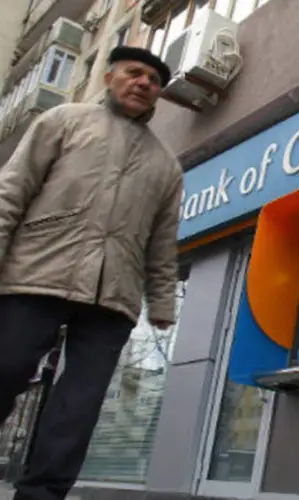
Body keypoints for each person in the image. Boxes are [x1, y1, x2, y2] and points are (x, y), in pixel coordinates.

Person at [0, 46, 183, 499]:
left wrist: (160, 301)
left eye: (154, 80)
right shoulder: (63, 121)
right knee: (6, 368)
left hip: (113, 296)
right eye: (134, 73)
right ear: (109, 78)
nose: (143, 83)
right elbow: (12, 192)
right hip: (37, 271)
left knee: (79, 405)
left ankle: (42, 492)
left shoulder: (166, 165)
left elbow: (161, 242)